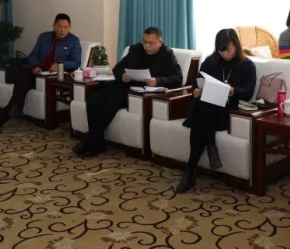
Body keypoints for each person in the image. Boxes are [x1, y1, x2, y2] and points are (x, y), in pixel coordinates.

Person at [72, 26, 182, 158]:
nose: (147, 46)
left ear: (160, 43)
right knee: (93, 98)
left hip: (141, 93)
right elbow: (117, 68)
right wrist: (122, 75)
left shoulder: (167, 55)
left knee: (110, 104)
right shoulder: (135, 49)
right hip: (125, 85)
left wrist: (158, 81)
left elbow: (178, 78)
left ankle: (92, 142)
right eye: (144, 42)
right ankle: (96, 142)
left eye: (151, 43)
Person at [175, 29, 256, 194]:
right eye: (221, 50)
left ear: (236, 46)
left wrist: (232, 90)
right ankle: (210, 147)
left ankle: (190, 171)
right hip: (208, 109)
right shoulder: (210, 62)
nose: (225, 54)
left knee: (201, 115)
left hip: (227, 112)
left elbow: (248, 92)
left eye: (229, 50)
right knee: (205, 103)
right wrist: (196, 90)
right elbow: (197, 82)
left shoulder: (247, 65)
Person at [0, 13, 81, 131]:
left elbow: (76, 62)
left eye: (66, 27)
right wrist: (35, 66)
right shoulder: (44, 37)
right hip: (39, 72)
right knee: (25, 73)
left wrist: (60, 65)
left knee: (22, 82)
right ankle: (14, 108)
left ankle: (5, 115)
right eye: (60, 27)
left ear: (69, 27)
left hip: (53, 78)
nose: (62, 30)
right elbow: (33, 55)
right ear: (54, 26)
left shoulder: (74, 41)